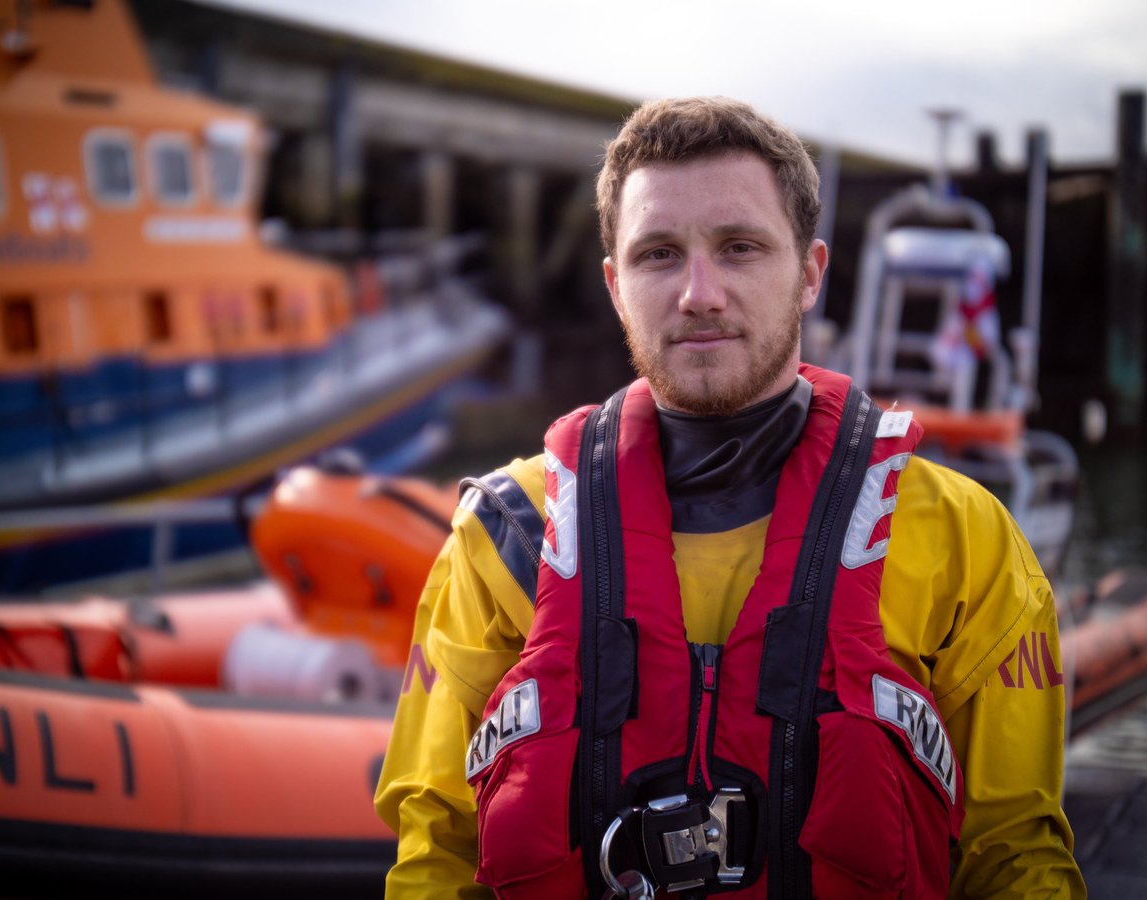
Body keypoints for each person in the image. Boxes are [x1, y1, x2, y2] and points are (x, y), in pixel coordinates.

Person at [375, 96, 1085, 899]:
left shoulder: (963, 538)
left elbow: (1018, 856)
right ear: (615, 285)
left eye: (740, 248)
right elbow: (436, 852)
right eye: (659, 255)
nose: (698, 293)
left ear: (810, 272)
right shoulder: (504, 536)